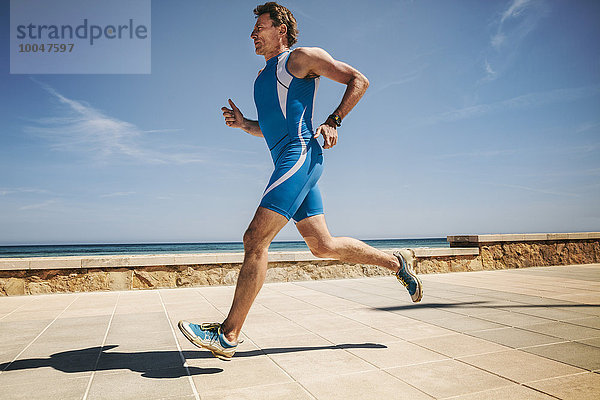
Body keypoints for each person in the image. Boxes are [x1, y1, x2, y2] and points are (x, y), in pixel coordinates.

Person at [179, 2, 422, 360]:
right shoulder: (262, 78)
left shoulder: (301, 58)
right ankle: (396, 263)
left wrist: (334, 120)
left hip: (302, 156)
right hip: (287, 159)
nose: (252, 35)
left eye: (259, 28)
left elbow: (360, 80)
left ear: (281, 30)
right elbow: (274, 127)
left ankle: (228, 335)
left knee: (254, 239)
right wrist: (245, 124)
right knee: (322, 245)